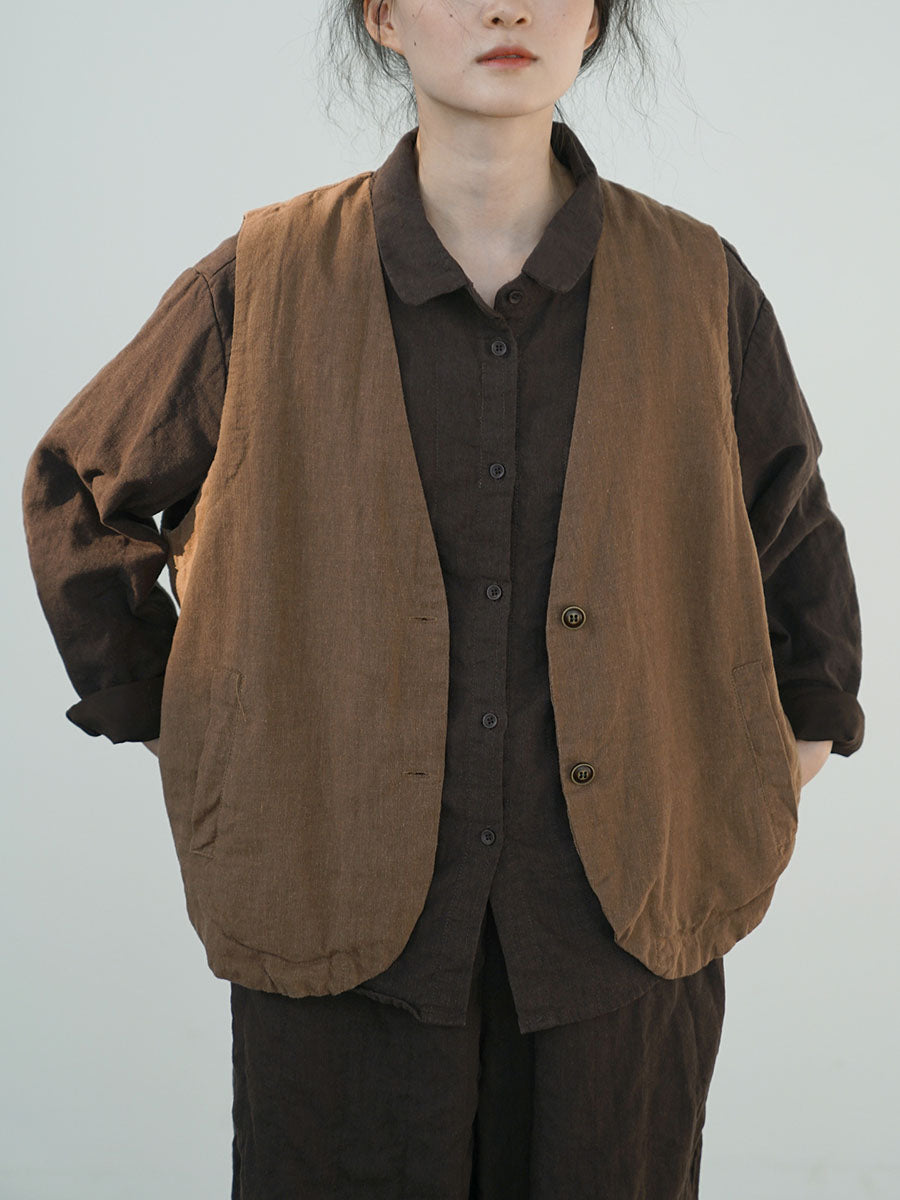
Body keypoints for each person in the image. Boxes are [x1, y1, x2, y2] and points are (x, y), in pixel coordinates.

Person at [21, 1, 864, 1197]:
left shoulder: (695, 281)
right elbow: (79, 490)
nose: (506, 7)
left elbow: (792, 529)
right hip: (330, 910)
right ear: (382, 17)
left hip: (625, 919)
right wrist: (189, 723)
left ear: (594, 20)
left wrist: (796, 735)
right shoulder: (264, 282)